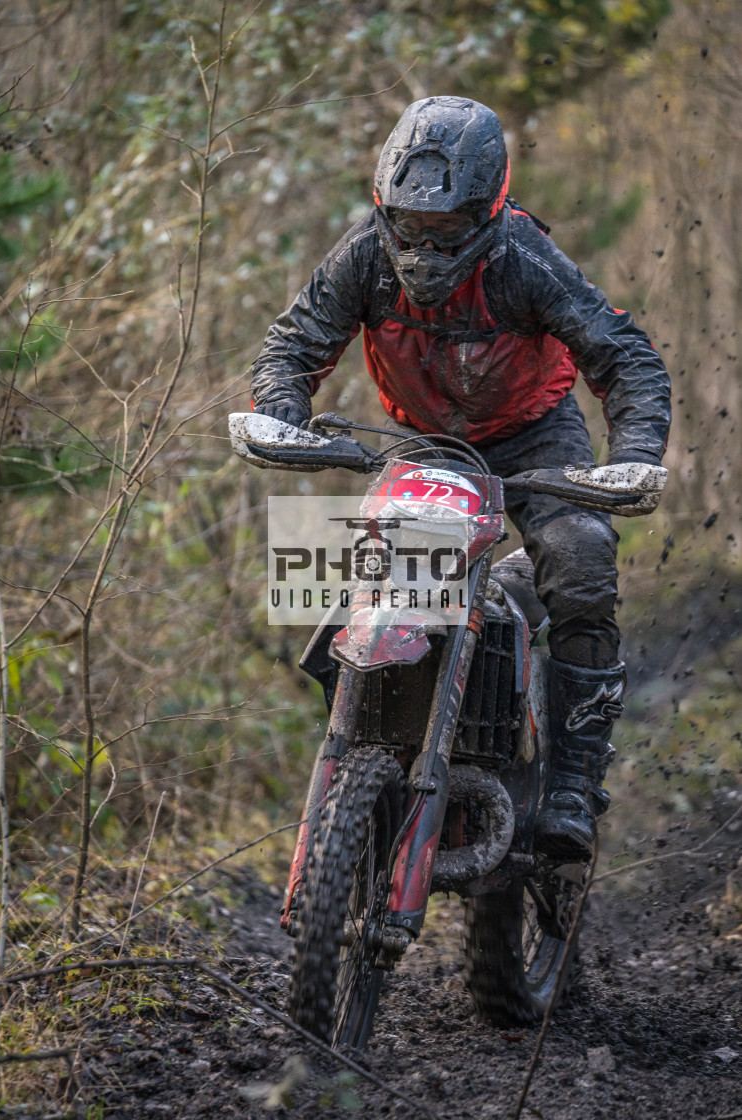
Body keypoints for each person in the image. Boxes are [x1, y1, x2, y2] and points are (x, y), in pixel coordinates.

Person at [249, 95, 671, 862]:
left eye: (445, 229)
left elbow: (625, 356)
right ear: (383, 206)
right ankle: (365, 754)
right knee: (327, 582)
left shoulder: (526, 259)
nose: (423, 245)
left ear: (488, 210)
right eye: (409, 225)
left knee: (579, 555)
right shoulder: (362, 257)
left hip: (533, 439)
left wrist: (635, 452)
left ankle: (574, 782)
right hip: (420, 443)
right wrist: (282, 413)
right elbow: (293, 344)